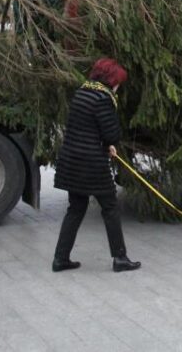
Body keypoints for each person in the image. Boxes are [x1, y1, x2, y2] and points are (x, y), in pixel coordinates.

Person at [52, 58, 141, 272]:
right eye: (118, 82)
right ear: (111, 80)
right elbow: (111, 133)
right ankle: (120, 258)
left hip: (72, 160)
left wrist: (105, 143)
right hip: (91, 164)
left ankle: (60, 258)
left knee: (75, 209)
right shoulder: (103, 98)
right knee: (110, 208)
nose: (119, 86)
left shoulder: (82, 92)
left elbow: (85, 127)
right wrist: (110, 142)